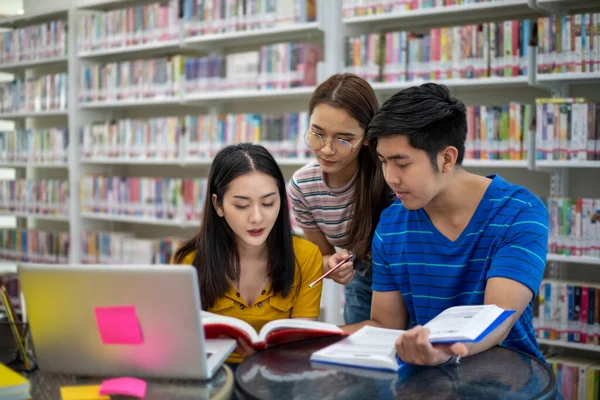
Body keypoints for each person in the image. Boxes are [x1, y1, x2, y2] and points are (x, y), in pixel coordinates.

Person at [345, 83, 548, 366]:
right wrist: (321, 337)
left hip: (510, 382)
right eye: (383, 162)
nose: (390, 177)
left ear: (446, 158)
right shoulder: (391, 223)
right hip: (425, 382)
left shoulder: (519, 212)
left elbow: (495, 317)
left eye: (401, 163)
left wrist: (444, 349)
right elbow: (386, 325)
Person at [172, 143, 324, 363]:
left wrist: (268, 358)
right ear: (218, 205)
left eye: (268, 203)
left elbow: (301, 346)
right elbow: (179, 342)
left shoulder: (306, 257)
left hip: (279, 374)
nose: (257, 218)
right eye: (242, 205)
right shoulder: (188, 261)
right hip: (212, 372)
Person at [287, 73, 393, 324]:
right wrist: (332, 265)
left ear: (367, 137)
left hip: (405, 279)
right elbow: (321, 256)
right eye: (318, 133)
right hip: (361, 279)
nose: (327, 149)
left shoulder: (389, 176)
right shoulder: (303, 187)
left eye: (344, 139)